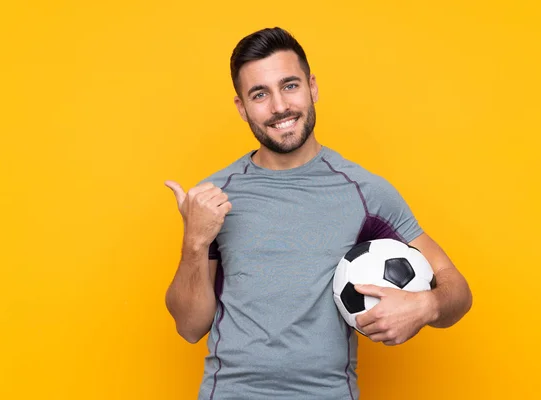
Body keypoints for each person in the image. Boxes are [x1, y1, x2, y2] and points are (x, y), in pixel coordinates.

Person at [164, 27, 472, 400]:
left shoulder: (366, 192)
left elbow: (457, 290)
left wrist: (427, 305)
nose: (279, 107)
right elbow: (189, 327)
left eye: (289, 85)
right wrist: (194, 241)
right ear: (241, 108)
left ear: (312, 88)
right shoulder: (215, 195)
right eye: (259, 94)